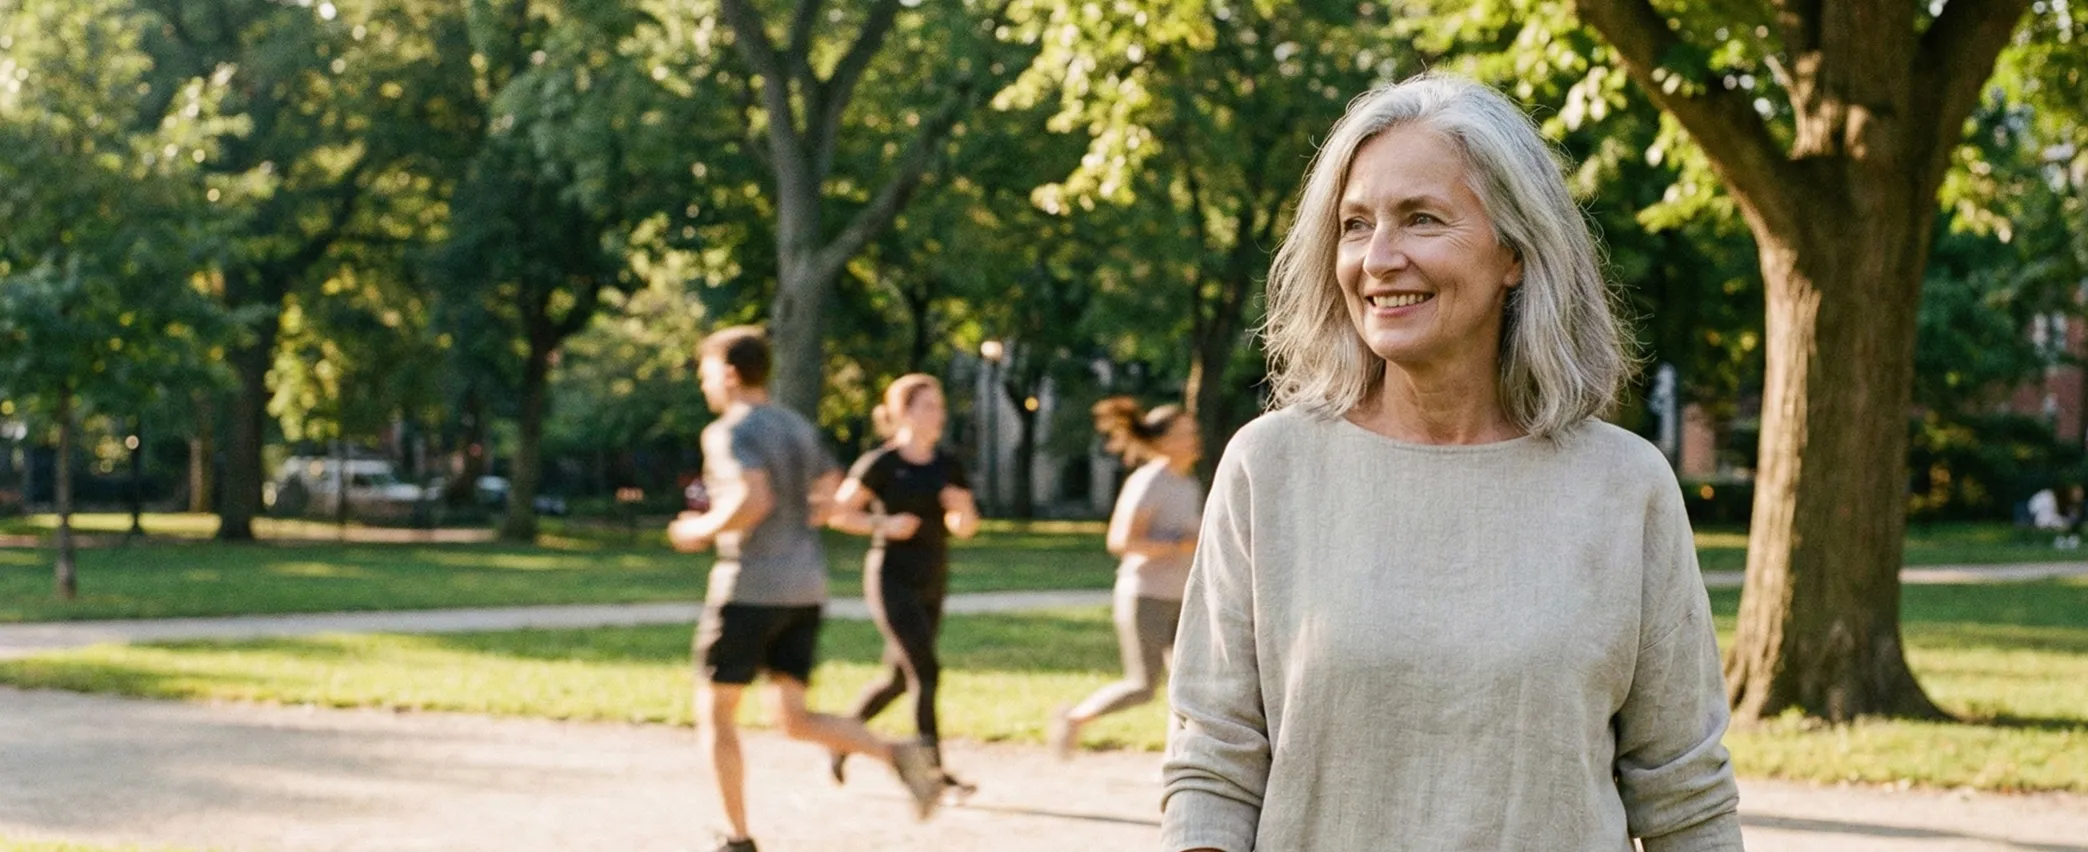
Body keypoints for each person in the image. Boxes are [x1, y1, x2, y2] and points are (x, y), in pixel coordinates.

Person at [1161, 74, 1744, 851]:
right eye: (1356, 224)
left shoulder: (1623, 485)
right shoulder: (1270, 469)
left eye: (1422, 219)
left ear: (1514, 250)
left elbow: (1683, 791)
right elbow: (1213, 771)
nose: (1379, 258)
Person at [668, 326, 943, 852]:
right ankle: (897, 754)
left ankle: (738, 837)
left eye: (705, 372)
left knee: (717, 713)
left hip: (749, 587)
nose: (704, 383)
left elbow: (753, 500)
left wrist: (696, 530)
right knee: (792, 718)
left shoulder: (730, 430)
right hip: (805, 587)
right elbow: (829, 500)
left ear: (729, 372)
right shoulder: (795, 426)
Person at [825, 374, 982, 791]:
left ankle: (843, 738)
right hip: (891, 577)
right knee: (926, 672)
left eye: (940, 406)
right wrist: (885, 523)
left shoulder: (948, 465)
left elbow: (965, 527)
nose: (938, 415)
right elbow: (840, 514)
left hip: (933, 576)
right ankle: (931, 772)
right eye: (929, 406)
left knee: (899, 679)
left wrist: (960, 513)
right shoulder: (882, 464)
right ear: (902, 412)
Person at [1048, 397, 1203, 758]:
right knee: (1143, 685)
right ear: (1163, 442)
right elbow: (1120, 541)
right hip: (1145, 595)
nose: (1194, 439)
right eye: (1185, 433)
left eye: (1194, 432)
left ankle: (1179, 760)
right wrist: (1180, 544)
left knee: (1189, 687)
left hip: (1181, 597)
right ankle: (1074, 718)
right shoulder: (1149, 482)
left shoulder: (1187, 484)